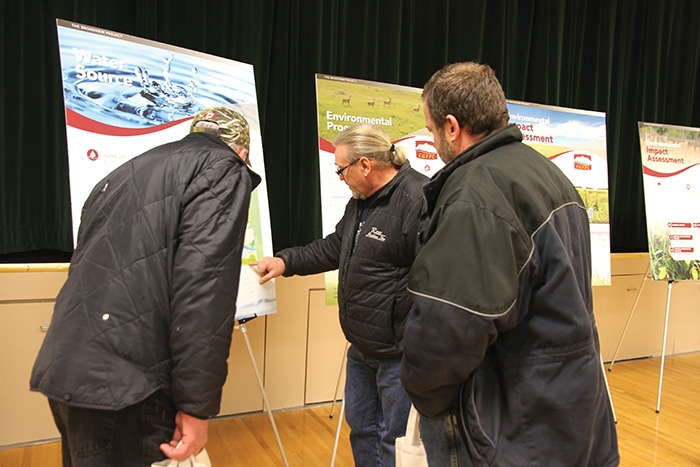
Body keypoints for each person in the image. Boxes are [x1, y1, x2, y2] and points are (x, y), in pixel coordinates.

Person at [399, 62, 620, 466]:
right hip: (567, 410)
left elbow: (449, 327)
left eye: (430, 129)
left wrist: (422, 392)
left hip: (508, 424)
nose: (432, 140)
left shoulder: (475, 195)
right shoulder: (549, 174)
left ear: (452, 127)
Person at [30, 106, 261, 466]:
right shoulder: (222, 169)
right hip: (128, 386)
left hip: (67, 366)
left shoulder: (124, 172)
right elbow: (203, 291)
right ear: (241, 152)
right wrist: (195, 406)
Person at [253, 123, 428, 466]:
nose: (339, 177)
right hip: (361, 348)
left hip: (399, 354)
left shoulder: (417, 200)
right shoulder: (361, 201)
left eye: (341, 169)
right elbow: (335, 247)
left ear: (365, 165)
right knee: (362, 428)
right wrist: (286, 261)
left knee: (396, 440)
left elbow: (434, 281)